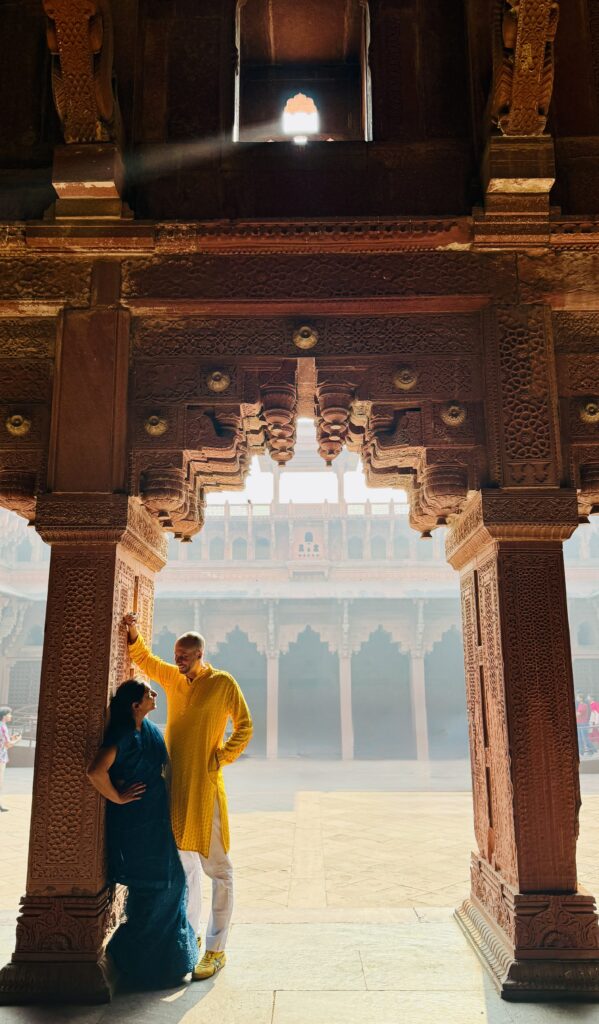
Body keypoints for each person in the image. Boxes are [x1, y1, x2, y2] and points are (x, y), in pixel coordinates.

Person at [123, 612, 253, 981]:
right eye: (176, 655)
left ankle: (216, 949)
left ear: (199, 654)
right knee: (186, 868)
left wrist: (222, 756)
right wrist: (133, 634)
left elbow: (244, 724)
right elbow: (146, 661)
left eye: (183, 656)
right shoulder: (174, 680)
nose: (177, 661)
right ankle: (191, 936)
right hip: (174, 787)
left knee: (219, 869)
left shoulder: (223, 683)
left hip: (206, 789)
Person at [87, 680, 197, 987]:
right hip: (135, 823)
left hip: (156, 818)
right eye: (149, 693)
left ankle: (161, 963)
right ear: (136, 704)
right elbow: (96, 771)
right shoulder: (122, 735)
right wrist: (117, 796)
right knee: (156, 888)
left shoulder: (149, 730)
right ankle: (133, 959)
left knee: (171, 885)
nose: (154, 695)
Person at [0, 707, 21, 812]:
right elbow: (7, 745)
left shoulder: (2, 726)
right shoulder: (3, 727)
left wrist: (11, 737)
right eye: (9, 714)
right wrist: (17, 740)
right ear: (4, 716)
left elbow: (4, 741)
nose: (10, 716)